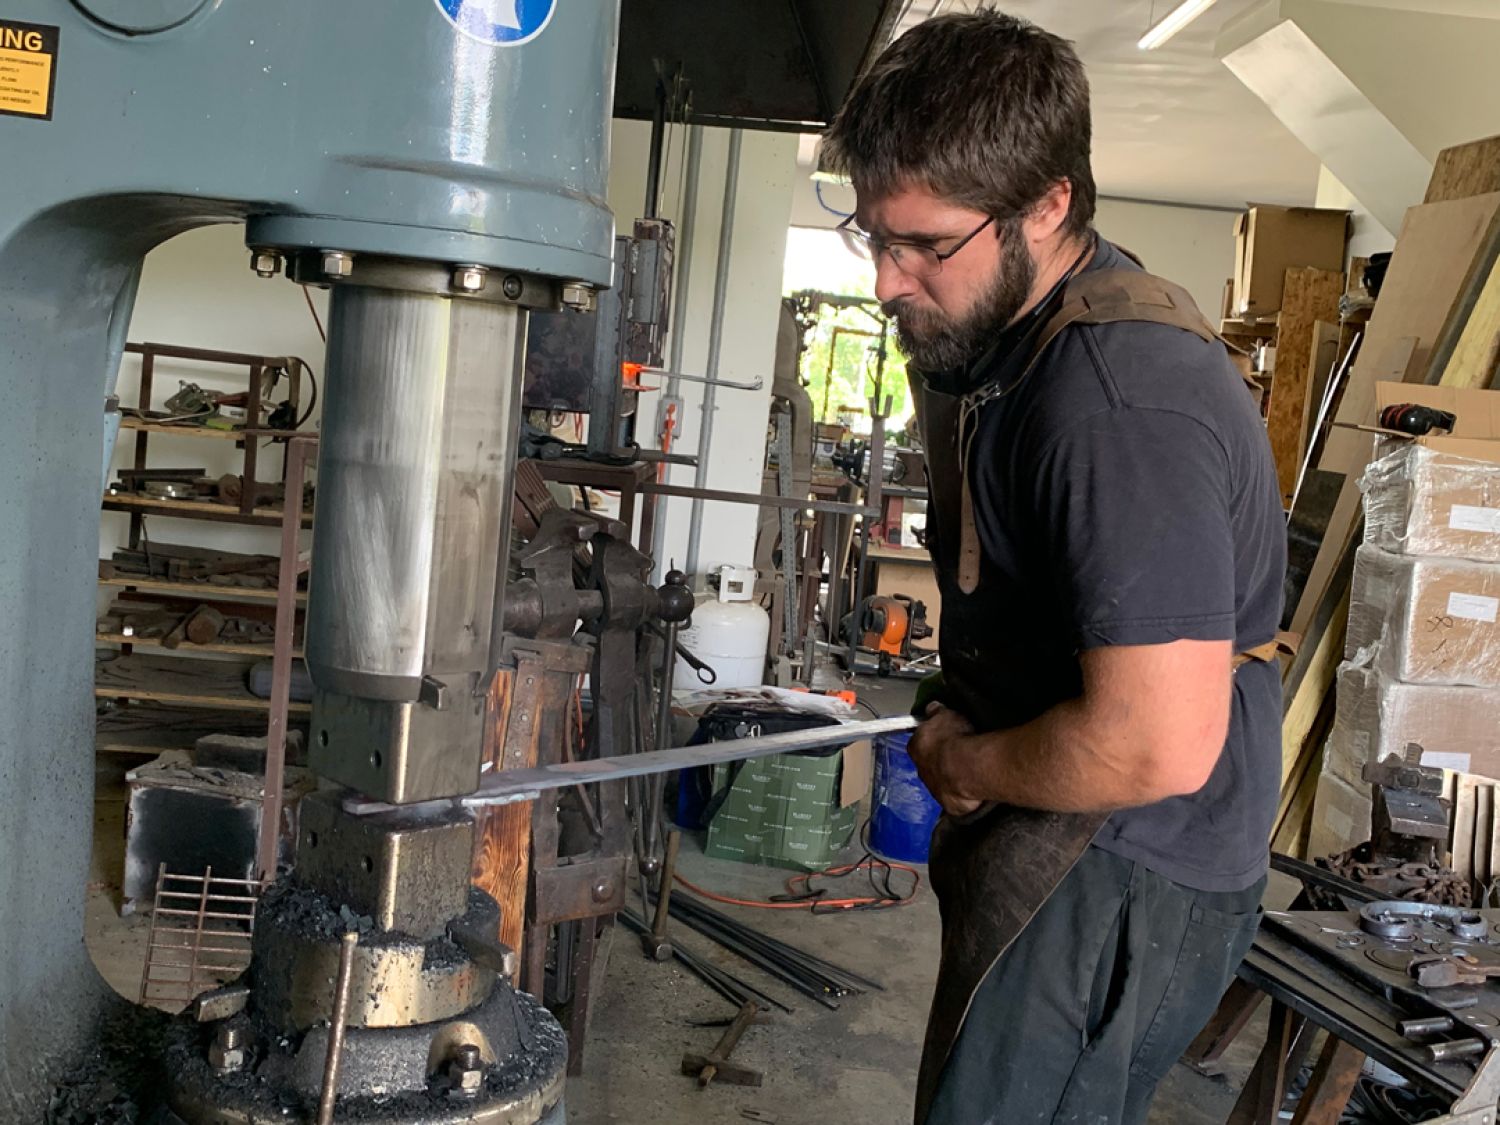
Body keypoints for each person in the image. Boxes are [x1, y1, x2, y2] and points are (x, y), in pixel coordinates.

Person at [821, 11, 1285, 1125]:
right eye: (872, 237)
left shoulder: (1118, 406)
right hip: (1070, 827)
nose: (887, 280)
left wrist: (967, 760)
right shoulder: (1015, 336)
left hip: (1124, 863)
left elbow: (1155, 741)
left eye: (925, 246)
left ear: (1047, 204)